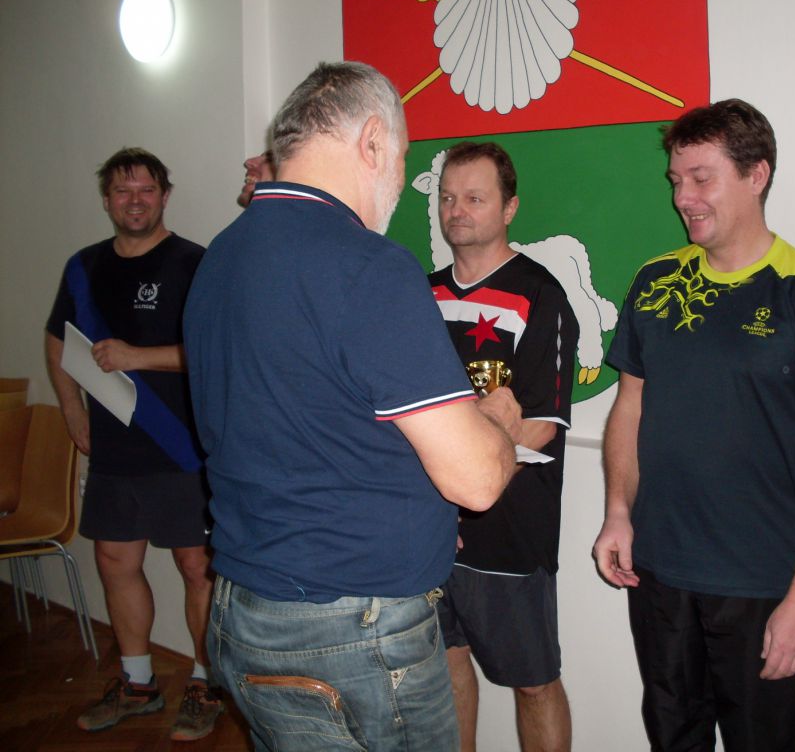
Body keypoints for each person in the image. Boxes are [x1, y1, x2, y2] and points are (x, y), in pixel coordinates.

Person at [183, 62, 522, 752]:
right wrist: (496, 424)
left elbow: (301, 424)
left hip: (241, 610)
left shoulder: (220, 256)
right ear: (372, 140)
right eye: (401, 157)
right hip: (353, 636)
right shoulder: (369, 265)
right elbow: (479, 480)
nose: (400, 178)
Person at [593, 99, 795, 752]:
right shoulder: (655, 282)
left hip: (760, 586)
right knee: (673, 739)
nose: (682, 198)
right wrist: (617, 511)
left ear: (756, 175)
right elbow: (629, 407)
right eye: (676, 180)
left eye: (701, 178)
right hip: (659, 574)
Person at [44, 147, 223, 741]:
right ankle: (139, 683)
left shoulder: (195, 263)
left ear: (164, 196)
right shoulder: (83, 266)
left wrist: (135, 357)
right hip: (114, 449)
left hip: (182, 447)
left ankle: (205, 683)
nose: (135, 200)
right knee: (115, 562)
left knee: (197, 568)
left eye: (146, 189)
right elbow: (57, 340)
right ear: (107, 200)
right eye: (123, 191)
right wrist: (73, 410)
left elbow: (215, 351)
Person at [428, 142, 579, 752]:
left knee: (534, 682)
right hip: (428, 527)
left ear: (509, 208)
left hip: (509, 530)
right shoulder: (420, 294)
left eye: (474, 198)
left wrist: (469, 463)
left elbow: (540, 424)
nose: (456, 210)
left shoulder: (541, 294)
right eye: (447, 198)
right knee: (445, 665)